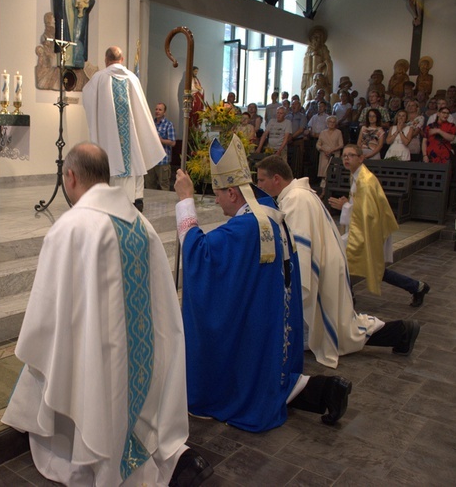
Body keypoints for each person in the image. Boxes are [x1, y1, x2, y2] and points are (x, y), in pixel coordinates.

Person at [2, 142, 213, 486]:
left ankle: (100, 457)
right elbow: (161, 305)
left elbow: (46, 315)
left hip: (96, 356)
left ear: (70, 177)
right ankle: (163, 456)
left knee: (74, 381)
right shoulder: (141, 224)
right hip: (139, 361)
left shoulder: (70, 228)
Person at [175, 135, 352, 431]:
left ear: (232, 193)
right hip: (268, 318)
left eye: (217, 193)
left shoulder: (245, 228)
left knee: (253, 382)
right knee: (267, 376)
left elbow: (199, 255)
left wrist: (185, 201)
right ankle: (325, 390)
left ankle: (325, 390)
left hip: (257, 321)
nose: (216, 201)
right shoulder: (270, 215)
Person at [256, 155, 421, 368]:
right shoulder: (298, 194)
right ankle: (401, 332)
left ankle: (402, 332)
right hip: (326, 263)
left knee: (337, 330)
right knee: (336, 326)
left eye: (261, 180)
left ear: (276, 179)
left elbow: (300, 248)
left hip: (322, 268)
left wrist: (294, 282)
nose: (258, 185)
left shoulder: (296, 198)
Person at [328, 145, 431, 306]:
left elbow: (369, 214)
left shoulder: (366, 180)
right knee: (369, 267)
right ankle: (417, 287)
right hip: (363, 228)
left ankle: (349, 298)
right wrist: (348, 204)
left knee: (345, 259)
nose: (347, 158)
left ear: (361, 158)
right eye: (344, 156)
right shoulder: (357, 175)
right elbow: (363, 207)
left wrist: (345, 207)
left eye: (351, 155)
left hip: (372, 229)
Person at [82, 46, 165, 212]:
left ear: (106, 60)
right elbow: (141, 109)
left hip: (108, 141)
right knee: (134, 158)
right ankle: (136, 199)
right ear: (122, 60)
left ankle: (109, 202)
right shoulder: (132, 78)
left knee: (110, 161)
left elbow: (87, 96)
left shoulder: (98, 78)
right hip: (131, 141)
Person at [51, 0, 94, 68]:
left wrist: (85, 4)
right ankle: (67, 60)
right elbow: (59, 8)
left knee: (78, 41)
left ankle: (77, 60)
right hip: (68, 20)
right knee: (67, 39)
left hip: (78, 23)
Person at [145, 102, 176, 191]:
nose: (157, 111)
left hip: (163, 162)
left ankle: (165, 205)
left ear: (164, 112)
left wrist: (160, 140)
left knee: (164, 187)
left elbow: (173, 142)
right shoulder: (151, 124)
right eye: (156, 109)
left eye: (160, 110)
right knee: (149, 186)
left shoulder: (168, 125)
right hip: (151, 161)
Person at [301, 26, 333, 100]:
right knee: (309, 90)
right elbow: (305, 60)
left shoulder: (323, 48)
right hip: (310, 73)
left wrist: (323, 64)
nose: (316, 39)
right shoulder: (309, 48)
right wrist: (310, 56)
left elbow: (328, 61)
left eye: (318, 37)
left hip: (320, 72)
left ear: (321, 39)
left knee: (320, 88)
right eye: (314, 37)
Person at [315, 115, 343, 194]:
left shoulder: (338, 132)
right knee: (324, 174)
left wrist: (332, 150)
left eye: (334, 122)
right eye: (330, 122)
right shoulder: (323, 132)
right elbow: (318, 144)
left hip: (334, 155)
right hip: (324, 155)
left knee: (332, 173)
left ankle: (331, 192)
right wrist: (324, 150)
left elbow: (341, 144)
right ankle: (323, 192)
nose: (332, 123)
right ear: (327, 123)